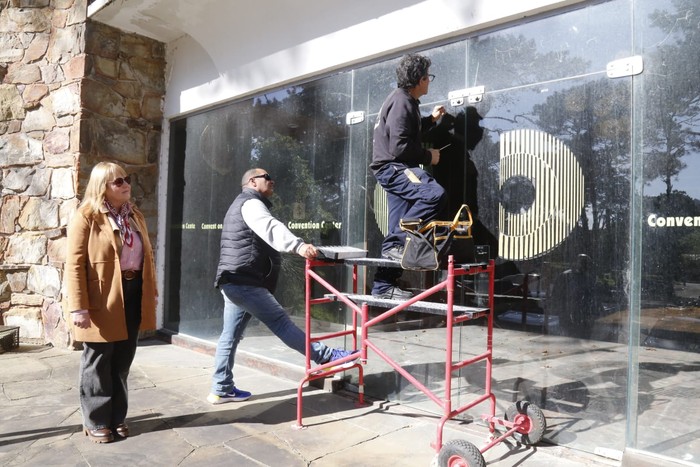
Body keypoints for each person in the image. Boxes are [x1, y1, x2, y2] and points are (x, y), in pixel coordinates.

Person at [208, 168, 358, 404]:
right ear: (252, 181)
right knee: (280, 322)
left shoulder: (240, 204)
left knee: (230, 336)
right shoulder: (250, 203)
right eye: (267, 177)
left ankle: (221, 388)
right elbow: (269, 226)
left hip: (233, 281)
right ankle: (327, 357)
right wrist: (298, 246)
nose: (272, 181)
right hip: (245, 280)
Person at [64, 162, 157, 444]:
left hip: (132, 291)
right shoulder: (87, 216)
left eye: (126, 179)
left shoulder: (134, 215)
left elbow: (147, 257)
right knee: (99, 359)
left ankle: (117, 416)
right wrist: (78, 306)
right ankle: (96, 419)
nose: (126, 184)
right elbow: (75, 264)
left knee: (123, 359)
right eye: (118, 182)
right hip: (101, 298)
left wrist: (150, 291)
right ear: (102, 186)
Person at [370, 53, 449, 299]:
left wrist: (432, 120)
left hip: (395, 168)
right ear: (420, 79)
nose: (429, 82)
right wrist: (429, 156)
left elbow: (408, 131)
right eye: (428, 77)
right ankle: (396, 245)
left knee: (399, 223)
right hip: (395, 167)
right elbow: (399, 147)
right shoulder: (402, 102)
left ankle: (383, 287)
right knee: (435, 194)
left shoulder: (405, 102)